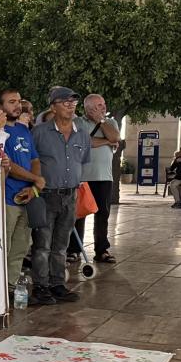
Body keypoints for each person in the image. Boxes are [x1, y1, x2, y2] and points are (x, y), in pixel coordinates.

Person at [29, 87, 90, 305]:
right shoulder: (39, 132)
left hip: (70, 195)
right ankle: (41, 286)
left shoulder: (81, 133)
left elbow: (81, 161)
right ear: (53, 106)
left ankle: (57, 284)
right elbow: (30, 162)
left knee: (61, 245)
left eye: (73, 102)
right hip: (46, 195)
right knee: (43, 244)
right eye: (65, 102)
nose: (70, 105)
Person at [0, 90, 45, 281]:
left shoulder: (23, 130)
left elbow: (34, 159)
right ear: (0, 107)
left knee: (20, 248)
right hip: (7, 199)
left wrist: (34, 187)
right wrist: (36, 179)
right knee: (3, 248)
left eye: (18, 101)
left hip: (27, 196)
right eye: (11, 102)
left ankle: (11, 286)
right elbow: (10, 165)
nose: (17, 106)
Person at [71, 93, 120, 263]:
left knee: (103, 214)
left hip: (104, 177)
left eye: (104, 104)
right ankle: (74, 249)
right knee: (79, 214)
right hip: (82, 177)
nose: (104, 107)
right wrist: (106, 141)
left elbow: (114, 137)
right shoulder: (78, 122)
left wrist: (101, 121)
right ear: (89, 108)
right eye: (99, 105)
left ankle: (102, 250)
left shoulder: (110, 122)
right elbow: (85, 142)